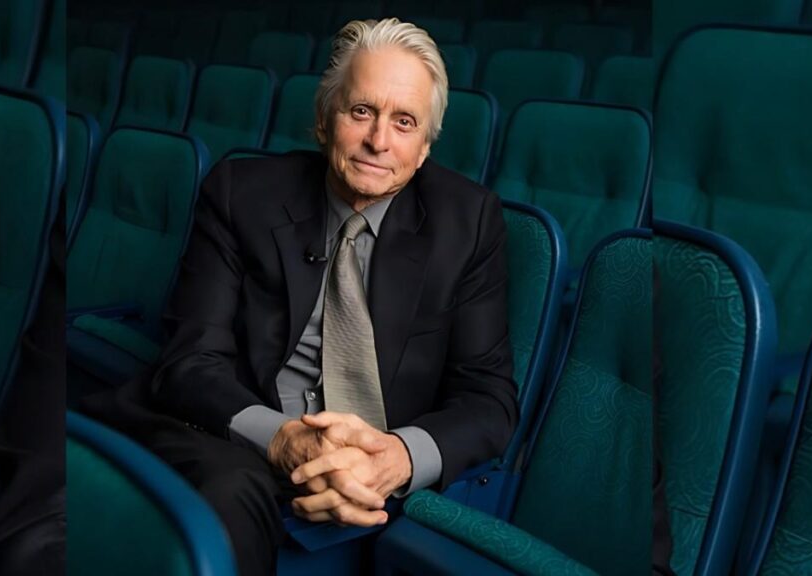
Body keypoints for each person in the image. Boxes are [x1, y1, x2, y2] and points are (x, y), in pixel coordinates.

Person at [83, 17, 517, 576]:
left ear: (424, 147)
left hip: (372, 465)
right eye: (361, 111)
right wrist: (281, 440)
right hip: (240, 438)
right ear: (323, 118)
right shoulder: (241, 194)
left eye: (404, 122)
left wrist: (397, 458)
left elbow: (489, 400)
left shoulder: (470, 222)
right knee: (215, 493)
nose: (379, 141)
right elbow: (191, 360)